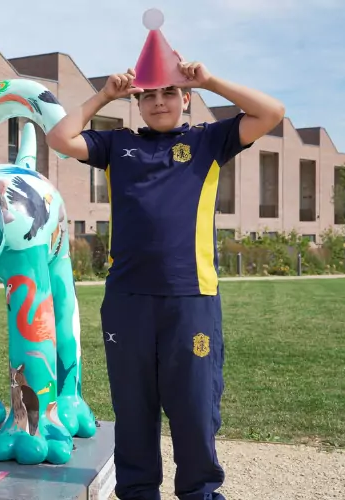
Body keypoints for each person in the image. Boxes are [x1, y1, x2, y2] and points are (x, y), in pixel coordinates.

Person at [48, 54, 285, 500]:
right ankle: (138, 492)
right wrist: (104, 95)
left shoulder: (209, 141)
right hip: (128, 301)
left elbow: (271, 112)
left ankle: (200, 493)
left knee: (194, 408)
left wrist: (211, 78)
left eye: (169, 93)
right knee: (134, 409)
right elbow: (61, 138)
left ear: (186, 98)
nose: (159, 102)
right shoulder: (117, 145)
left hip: (190, 298)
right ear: (137, 103)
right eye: (148, 95)